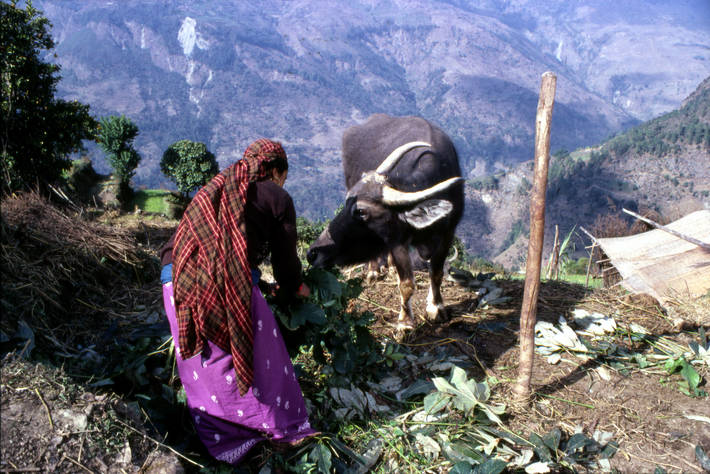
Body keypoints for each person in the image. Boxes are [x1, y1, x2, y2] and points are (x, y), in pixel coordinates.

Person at [159, 138, 317, 465]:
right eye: (283, 176)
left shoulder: (219, 187)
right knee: (263, 354)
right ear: (275, 170)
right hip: (218, 280)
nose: (282, 182)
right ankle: (282, 431)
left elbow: (225, 248)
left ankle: (226, 444)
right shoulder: (276, 196)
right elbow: (285, 261)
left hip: (175, 279)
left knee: (206, 362)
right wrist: (296, 288)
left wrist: (261, 285)